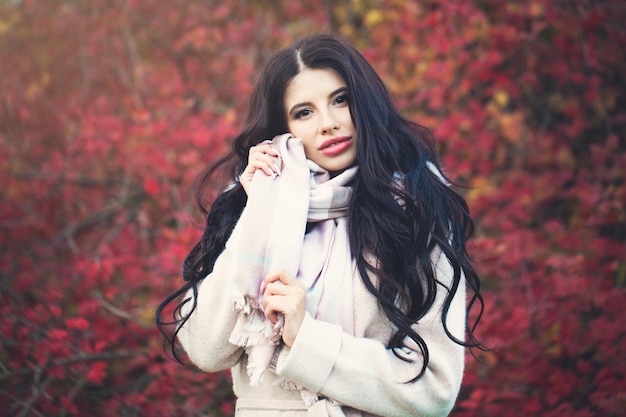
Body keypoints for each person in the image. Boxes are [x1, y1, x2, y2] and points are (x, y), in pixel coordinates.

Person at [157, 33, 485, 417]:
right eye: (304, 112)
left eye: (340, 100)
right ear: (284, 129)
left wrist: (306, 340)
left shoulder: (415, 213)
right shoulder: (254, 206)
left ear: (365, 104)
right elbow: (206, 349)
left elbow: (434, 391)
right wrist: (258, 210)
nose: (328, 124)